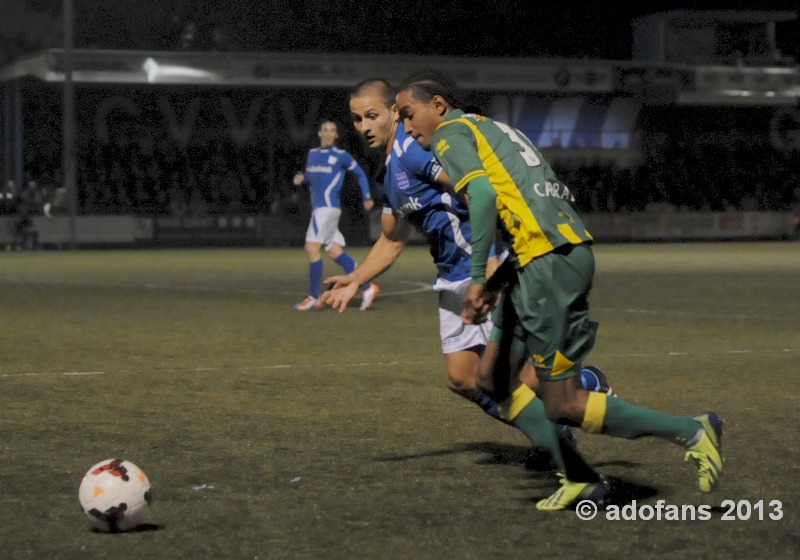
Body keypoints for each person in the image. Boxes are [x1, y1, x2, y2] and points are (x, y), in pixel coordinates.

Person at [395, 72, 723, 510]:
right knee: (491, 379)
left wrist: (477, 277)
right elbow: (523, 198)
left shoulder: (450, 133)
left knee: (562, 404)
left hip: (549, 261)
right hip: (538, 257)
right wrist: (499, 280)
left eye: (407, 113)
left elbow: (484, 195)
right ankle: (578, 476)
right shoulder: (490, 127)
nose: (405, 124)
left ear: (437, 105)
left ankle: (694, 429)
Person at [322, 78, 610, 486]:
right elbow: (391, 239)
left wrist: (491, 260)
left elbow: (480, 190)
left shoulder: (418, 151)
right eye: (356, 119)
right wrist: (355, 278)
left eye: (372, 115)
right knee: (462, 378)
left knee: (513, 380)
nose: (364, 125)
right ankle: (557, 435)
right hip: (450, 279)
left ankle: (583, 392)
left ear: (393, 113)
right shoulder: (386, 172)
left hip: (484, 273)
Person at [293, 119, 380, 311]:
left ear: (336, 135)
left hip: (327, 207)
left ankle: (314, 296)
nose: (328, 133)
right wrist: (302, 179)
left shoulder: (341, 156)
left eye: (332, 130)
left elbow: (360, 174)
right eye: (325, 129)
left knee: (311, 248)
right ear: (319, 133)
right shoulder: (313, 154)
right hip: (319, 208)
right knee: (334, 251)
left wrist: (366, 196)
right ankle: (367, 287)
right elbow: (312, 176)